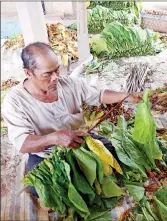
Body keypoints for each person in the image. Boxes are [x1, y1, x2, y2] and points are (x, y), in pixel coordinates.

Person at [2, 42, 141, 198]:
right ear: (28, 73)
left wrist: (126, 96)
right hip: (47, 154)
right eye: (48, 74)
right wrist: (55, 137)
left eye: (57, 70)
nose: (56, 77)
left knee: (118, 155)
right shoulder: (15, 102)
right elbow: (23, 143)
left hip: (80, 140)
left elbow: (99, 95)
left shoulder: (69, 84)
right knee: (40, 188)